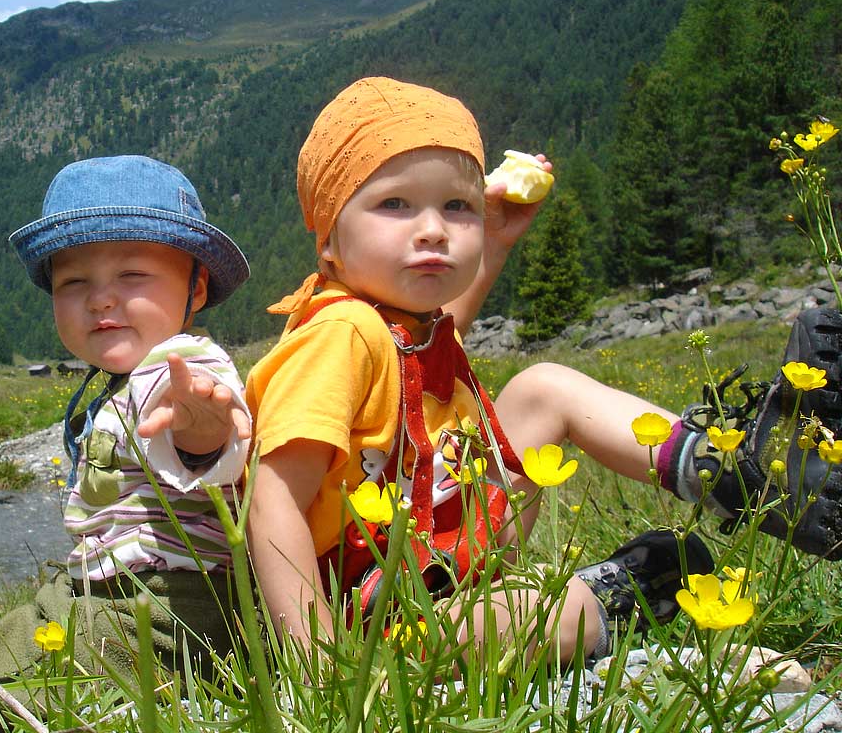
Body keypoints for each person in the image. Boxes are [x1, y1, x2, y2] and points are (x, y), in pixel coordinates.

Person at [244, 76, 842, 663]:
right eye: (394, 204)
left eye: (458, 206)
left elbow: (437, 344)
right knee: (506, 618)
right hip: (367, 609)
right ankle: (619, 597)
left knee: (543, 388)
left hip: (440, 550)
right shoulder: (340, 334)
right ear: (329, 240)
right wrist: (320, 660)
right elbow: (274, 500)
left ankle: (733, 473)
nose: (433, 229)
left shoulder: (396, 323)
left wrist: (496, 241)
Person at [0, 155, 252, 731]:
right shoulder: (114, 384)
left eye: (132, 276)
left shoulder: (182, 367)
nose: (100, 299)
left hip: (169, 610)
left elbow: (203, 448)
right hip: (103, 590)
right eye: (74, 282)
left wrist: (201, 426)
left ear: (196, 288)